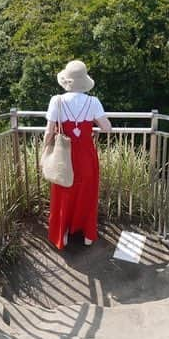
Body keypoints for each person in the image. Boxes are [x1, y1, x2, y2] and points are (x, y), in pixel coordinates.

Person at [44, 60, 112, 250]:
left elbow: (49, 132)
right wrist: (91, 129)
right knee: (87, 193)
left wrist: (43, 152)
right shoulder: (93, 102)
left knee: (64, 192)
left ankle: (63, 234)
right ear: (84, 82)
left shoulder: (56, 101)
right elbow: (107, 127)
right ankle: (87, 235)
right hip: (87, 156)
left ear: (67, 81)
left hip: (63, 156)